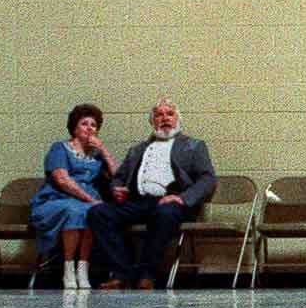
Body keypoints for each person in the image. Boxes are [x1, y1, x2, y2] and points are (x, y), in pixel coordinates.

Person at [89, 97, 217, 290]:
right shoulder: (137, 149)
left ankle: (148, 274)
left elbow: (208, 179)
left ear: (177, 120)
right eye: (159, 115)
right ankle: (122, 273)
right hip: (136, 201)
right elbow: (119, 177)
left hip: (171, 202)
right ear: (152, 122)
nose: (165, 118)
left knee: (165, 213)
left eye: (170, 114)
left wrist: (182, 198)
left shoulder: (193, 145)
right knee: (98, 213)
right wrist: (117, 189)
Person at [29, 103, 118, 290]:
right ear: (74, 128)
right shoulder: (60, 148)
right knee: (75, 210)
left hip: (86, 201)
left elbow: (119, 178)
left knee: (93, 212)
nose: (89, 128)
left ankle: (82, 268)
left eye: (93, 125)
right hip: (56, 199)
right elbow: (62, 180)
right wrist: (90, 199)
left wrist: (105, 152)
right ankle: (68, 267)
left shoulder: (96, 154)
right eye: (84, 123)